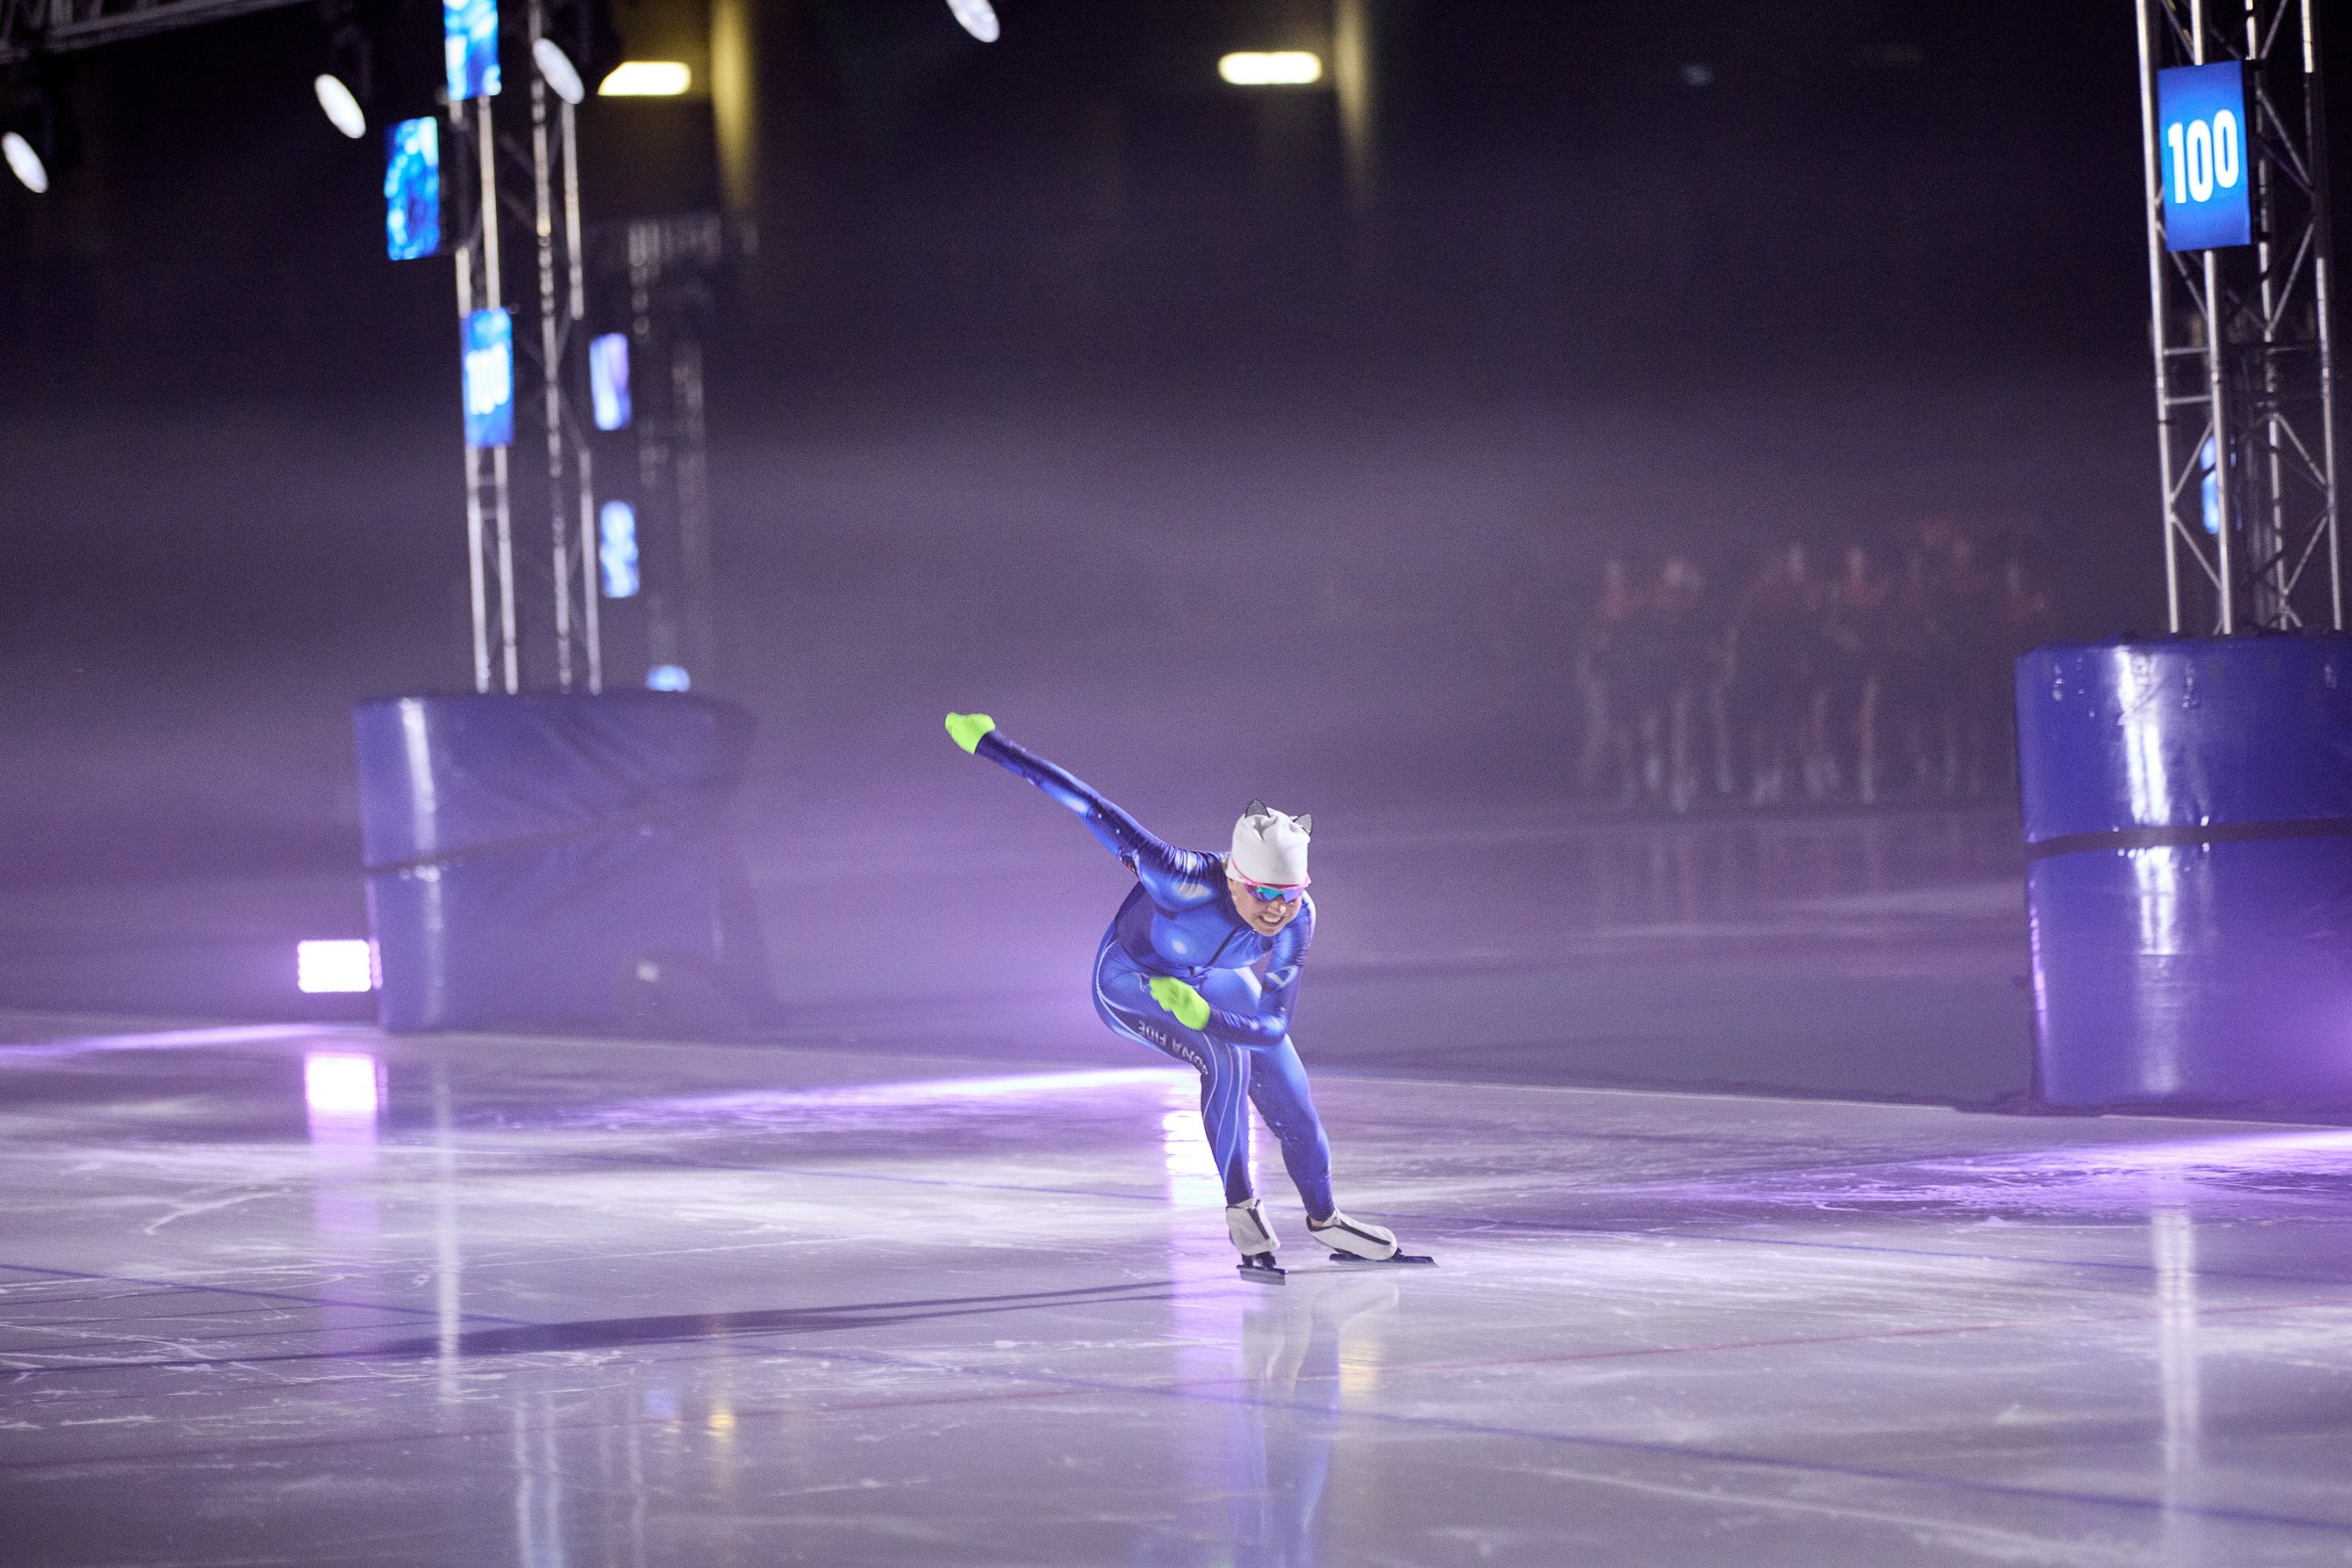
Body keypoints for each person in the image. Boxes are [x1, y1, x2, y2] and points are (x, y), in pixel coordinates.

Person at [944, 712, 1424, 1277]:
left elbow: (1272, 1025)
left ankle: (1326, 1219)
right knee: (1222, 1059)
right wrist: (990, 743)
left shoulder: (1299, 920)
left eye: (1291, 895)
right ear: (1236, 878)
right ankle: (1243, 1208)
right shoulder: (1179, 878)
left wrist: (1204, 1011)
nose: (1276, 910)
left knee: (1294, 1099)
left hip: (1207, 983)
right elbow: (1087, 805)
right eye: (1264, 893)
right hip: (1133, 981)